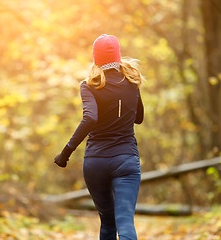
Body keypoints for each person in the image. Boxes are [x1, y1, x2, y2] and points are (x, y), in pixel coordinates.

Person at [54, 34, 144, 240]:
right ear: (118, 56)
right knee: (125, 223)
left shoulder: (89, 85)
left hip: (96, 163)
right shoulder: (132, 81)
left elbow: (90, 118)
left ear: (96, 58)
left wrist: (65, 152)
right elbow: (138, 118)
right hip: (126, 160)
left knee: (107, 224)